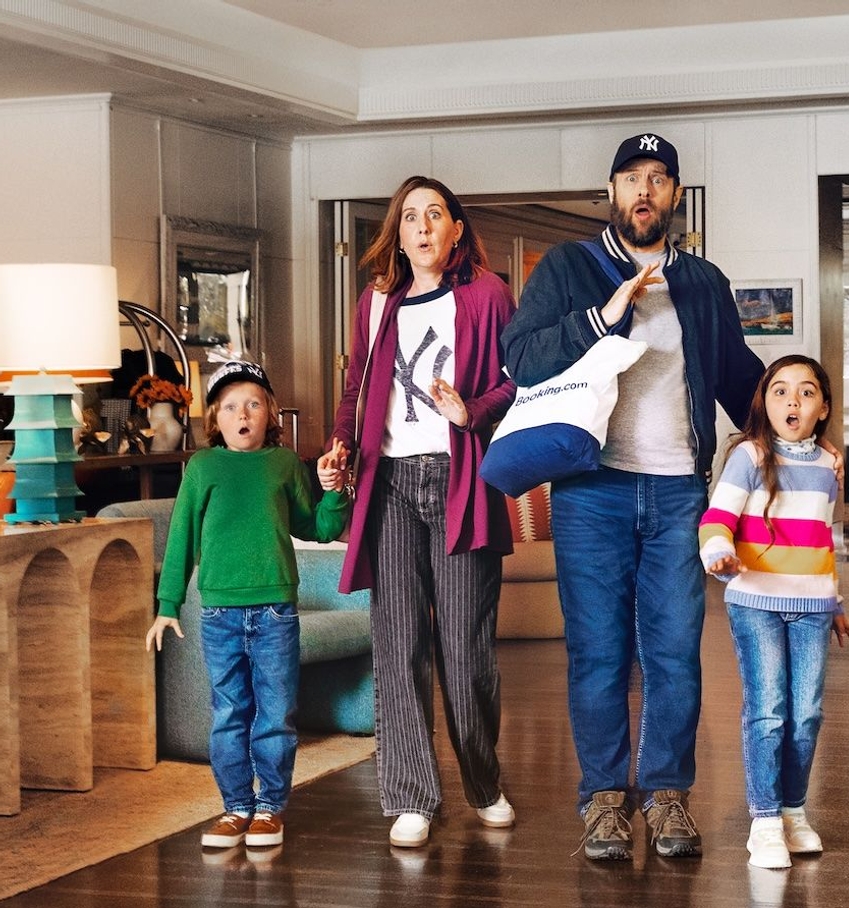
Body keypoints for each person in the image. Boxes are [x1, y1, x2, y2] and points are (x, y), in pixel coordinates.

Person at [500, 133, 765, 862]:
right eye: (631, 179)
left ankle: (668, 795)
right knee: (598, 654)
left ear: (676, 194)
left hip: (680, 488)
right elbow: (519, 359)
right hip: (593, 491)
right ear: (611, 193)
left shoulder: (704, 281)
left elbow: (737, 374)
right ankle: (605, 801)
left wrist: (792, 434)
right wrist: (603, 316)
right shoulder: (568, 267)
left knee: (676, 652)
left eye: (658, 178)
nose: (644, 191)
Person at [317, 176, 517, 849]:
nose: (424, 227)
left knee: (464, 650)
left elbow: (518, 381)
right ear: (397, 234)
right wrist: (339, 451)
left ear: (457, 229)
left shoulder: (488, 296)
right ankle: (410, 796)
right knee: (399, 641)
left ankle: (484, 781)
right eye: (411, 217)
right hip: (390, 484)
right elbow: (356, 390)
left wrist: (474, 411)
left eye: (436, 215)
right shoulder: (375, 303)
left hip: (462, 478)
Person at [146, 360, 349, 853]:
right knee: (229, 712)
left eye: (254, 404)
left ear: (270, 413)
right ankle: (235, 806)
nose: (244, 413)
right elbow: (181, 537)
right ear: (215, 418)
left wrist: (334, 491)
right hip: (217, 614)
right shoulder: (203, 467)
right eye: (232, 406)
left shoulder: (283, 464)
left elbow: (316, 527)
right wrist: (167, 603)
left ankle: (269, 810)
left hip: (276, 611)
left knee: (275, 714)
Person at [699, 355, 849, 869]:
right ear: (763, 404)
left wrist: (834, 602)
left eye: (807, 392)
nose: (793, 400)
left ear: (823, 408)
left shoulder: (828, 467)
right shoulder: (747, 456)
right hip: (755, 602)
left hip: (812, 606)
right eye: (780, 391)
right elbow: (716, 518)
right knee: (768, 710)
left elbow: (822, 539)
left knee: (807, 713)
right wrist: (716, 553)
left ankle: (794, 812)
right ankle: (765, 821)